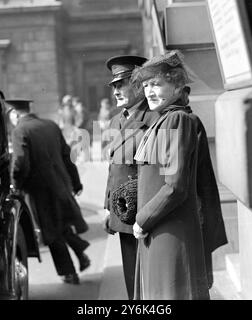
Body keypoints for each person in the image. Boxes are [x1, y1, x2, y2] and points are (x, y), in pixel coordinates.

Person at [131, 51, 228, 299]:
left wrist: (142, 219)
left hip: (170, 232)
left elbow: (175, 186)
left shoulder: (176, 120)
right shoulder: (164, 120)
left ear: (176, 85)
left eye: (156, 84)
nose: (149, 92)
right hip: (161, 228)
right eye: (145, 86)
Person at [8, 98, 91, 285]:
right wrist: (76, 183)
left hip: (39, 192)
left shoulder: (20, 130)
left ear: (15, 114)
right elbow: (67, 156)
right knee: (61, 225)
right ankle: (80, 252)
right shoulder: (51, 125)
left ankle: (69, 273)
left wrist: (16, 185)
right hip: (61, 185)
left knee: (50, 231)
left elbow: (21, 163)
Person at [103, 55, 159, 299]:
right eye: (114, 86)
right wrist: (108, 208)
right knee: (132, 282)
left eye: (121, 84)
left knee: (152, 284)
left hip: (148, 215)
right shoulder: (116, 121)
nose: (116, 92)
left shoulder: (155, 118)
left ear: (138, 85)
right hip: (124, 214)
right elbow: (114, 168)